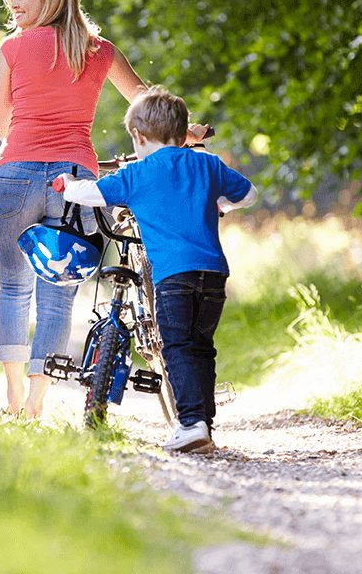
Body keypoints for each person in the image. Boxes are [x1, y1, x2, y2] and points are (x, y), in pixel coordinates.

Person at [0, 0, 207, 419]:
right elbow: (147, 105)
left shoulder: (12, 49)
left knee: (12, 286)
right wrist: (190, 135)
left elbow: (3, 124)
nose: (14, 9)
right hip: (74, 180)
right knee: (58, 290)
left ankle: (10, 396)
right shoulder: (100, 51)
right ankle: (35, 402)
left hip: (13, 174)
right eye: (12, 0)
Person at [56, 86, 256, 453]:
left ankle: (192, 423)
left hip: (172, 277)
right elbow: (248, 194)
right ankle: (203, 422)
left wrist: (68, 186)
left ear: (138, 136)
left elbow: (93, 194)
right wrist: (220, 205)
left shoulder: (139, 173)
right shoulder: (207, 164)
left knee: (177, 347)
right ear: (184, 135)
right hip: (213, 274)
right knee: (201, 346)